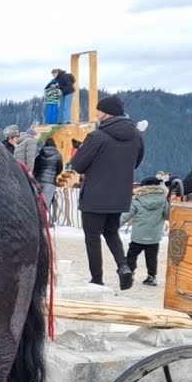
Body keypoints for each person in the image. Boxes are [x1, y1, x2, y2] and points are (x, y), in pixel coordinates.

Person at [68, 94, 144, 289]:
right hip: (120, 194)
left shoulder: (97, 136)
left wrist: (81, 150)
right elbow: (136, 161)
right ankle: (123, 266)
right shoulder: (136, 135)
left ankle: (97, 279)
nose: (96, 113)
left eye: (98, 110)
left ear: (106, 112)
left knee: (92, 236)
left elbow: (78, 165)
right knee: (111, 232)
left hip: (95, 195)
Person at [120, 177, 169, 286]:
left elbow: (126, 215)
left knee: (131, 255)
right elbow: (167, 215)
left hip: (138, 235)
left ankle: (130, 273)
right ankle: (151, 277)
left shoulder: (137, 199)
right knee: (151, 257)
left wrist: (114, 226)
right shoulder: (163, 200)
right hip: (154, 236)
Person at [32, 134, 64, 215]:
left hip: (38, 181)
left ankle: (37, 222)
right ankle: (44, 223)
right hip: (50, 183)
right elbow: (59, 169)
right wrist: (54, 174)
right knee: (46, 205)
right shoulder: (58, 155)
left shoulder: (40, 154)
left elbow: (35, 167)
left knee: (37, 203)